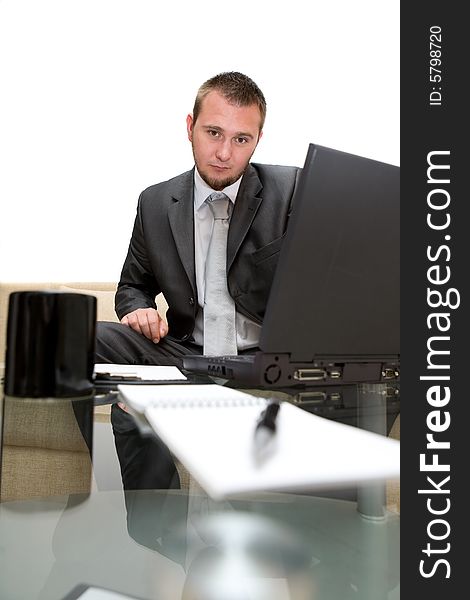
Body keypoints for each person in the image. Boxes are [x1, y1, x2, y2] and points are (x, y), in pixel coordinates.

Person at [96, 71, 301, 489]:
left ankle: (332, 530)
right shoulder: (155, 202)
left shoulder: (293, 188)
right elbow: (131, 286)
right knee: (86, 338)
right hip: (187, 356)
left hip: (266, 358)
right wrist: (139, 310)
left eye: (241, 139)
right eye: (213, 133)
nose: (224, 153)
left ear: (258, 141)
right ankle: (159, 525)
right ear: (190, 127)